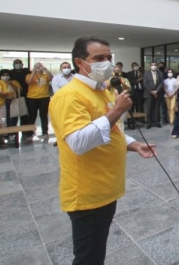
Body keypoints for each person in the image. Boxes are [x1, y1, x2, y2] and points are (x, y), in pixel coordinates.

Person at [49, 37, 156, 265]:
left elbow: (112, 129)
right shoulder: (69, 96)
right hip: (87, 193)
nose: (106, 63)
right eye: (98, 58)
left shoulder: (103, 91)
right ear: (79, 62)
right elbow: (78, 142)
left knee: (97, 252)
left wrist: (132, 144)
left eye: (109, 58)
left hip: (107, 188)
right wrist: (116, 111)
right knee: (88, 258)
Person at [25, 62, 53, 142]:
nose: (38, 67)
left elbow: (51, 78)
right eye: (36, 66)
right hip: (31, 98)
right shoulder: (29, 75)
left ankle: (45, 132)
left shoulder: (45, 75)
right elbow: (29, 82)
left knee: (43, 116)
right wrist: (34, 71)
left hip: (44, 97)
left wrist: (45, 69)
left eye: (39, 66)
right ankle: (30, 133)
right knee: (32, 116)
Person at [0, 69, 22, 133]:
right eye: (4, 75)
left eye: (7, 75)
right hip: (1, 103)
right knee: (3, 118)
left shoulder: (14, 82)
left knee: (13, 118)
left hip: (12, 102)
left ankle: (12, 133)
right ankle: (4, 133)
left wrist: (11, 84)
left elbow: (20, 91)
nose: (6, 77)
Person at [143, 61, 164, 129]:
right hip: (149, 94)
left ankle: (157, 122)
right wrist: (151, 91)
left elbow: (161, 83)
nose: (153, 66)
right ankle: (149, 123)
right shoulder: (146, 73)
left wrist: (156, 91)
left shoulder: (160, 73)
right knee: (149, 109)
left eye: (155, 65)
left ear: (157, 66)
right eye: (152, 65)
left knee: (157, 109)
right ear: (150, 66)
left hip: (158, 94)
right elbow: (145, 83)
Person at [9, 59, 30, 128]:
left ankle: (24, 130)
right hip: (14, 95)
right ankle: (12, 132)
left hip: (26, 94)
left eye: (19, 63)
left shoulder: (26, 72)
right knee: (13, 114)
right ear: (13, 65)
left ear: (22, 64)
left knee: (24, 113)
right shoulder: (10, 73)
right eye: (16, 63)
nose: (18, 64)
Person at [126, 62, 144, 129]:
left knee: (140, 106)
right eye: (134, 66)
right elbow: (130, 82)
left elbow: (144, 81)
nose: (135, 67)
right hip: (132, 92)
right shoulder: (129, 73)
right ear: (132, 67)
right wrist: (138, 80)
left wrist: (141, 76)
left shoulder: (141, 73)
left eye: (136, 65)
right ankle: (131, 121)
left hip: (140, 92)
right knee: (132, 107)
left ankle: (140, 120)